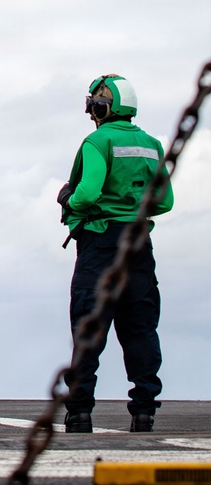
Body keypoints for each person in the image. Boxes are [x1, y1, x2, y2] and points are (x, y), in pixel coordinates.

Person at [58, 74, 173, 434]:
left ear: (101, 106)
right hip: (139, 245)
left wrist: (68, 199)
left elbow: (88, 193)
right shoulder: (153, 145)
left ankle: (79, 412)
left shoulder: (98, 141)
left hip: (100, 242)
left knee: (89, 326)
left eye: (93, 103)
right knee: (140, 327)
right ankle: (143, 411)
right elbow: (165, 202)